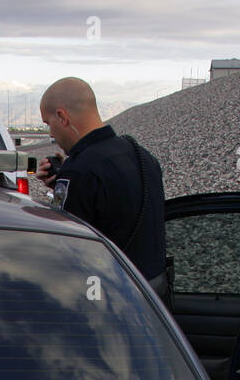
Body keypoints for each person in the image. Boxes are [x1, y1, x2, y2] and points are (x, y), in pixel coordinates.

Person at [35, 77, 170, 299]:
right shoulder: (142, 156)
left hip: (110, 300)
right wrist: (62, 180)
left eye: (48, 123)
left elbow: (68, 251)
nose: (50, 134)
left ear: (62, 116)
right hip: (155, 301)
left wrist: (67, 183)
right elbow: (121, 209)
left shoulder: (80, 172)